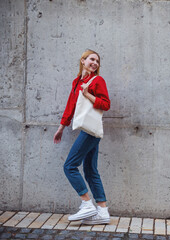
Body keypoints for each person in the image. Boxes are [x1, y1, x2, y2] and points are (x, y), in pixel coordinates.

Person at [53, 49, 111, 225]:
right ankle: (102, 211)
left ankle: (86, 203)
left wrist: (88, 95)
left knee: (69, 166)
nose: (95, 63)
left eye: (97, 61)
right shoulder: (77, 81)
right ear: (83, 60)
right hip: (88, 130)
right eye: (92, 59)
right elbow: (71, 105)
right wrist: (61, 127)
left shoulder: (97, 80)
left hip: (91, 131)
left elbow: (106, 104)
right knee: (91, 171)